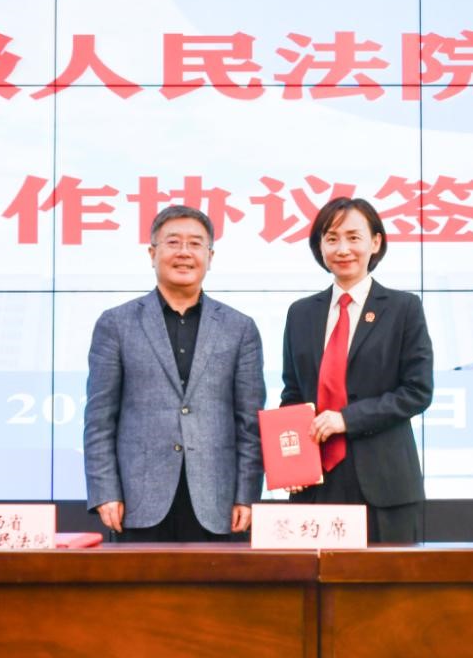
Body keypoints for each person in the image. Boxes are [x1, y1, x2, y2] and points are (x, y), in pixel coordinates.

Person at [84, 205, 265, 541]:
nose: (184, 252)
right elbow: (99, 419)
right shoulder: (116, 324)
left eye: (195, 244)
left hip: (217, 502)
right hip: (137, 502)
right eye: (173, 242)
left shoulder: (239, 328)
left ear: (210, 256)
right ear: (152, 254)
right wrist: (105, 490)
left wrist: (247, 494)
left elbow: (250, 423)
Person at [280, 197, 434, 543]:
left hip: (385, 483)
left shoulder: (403, 308)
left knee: (386, 578)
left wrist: (346, 419)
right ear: (319, 246)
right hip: (316, 481)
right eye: (331, 238)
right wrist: (292, 463)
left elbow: (417, 391)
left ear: (375, 242)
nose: (342, 249)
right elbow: (293, 394)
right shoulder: (300, 313)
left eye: (353, 237)